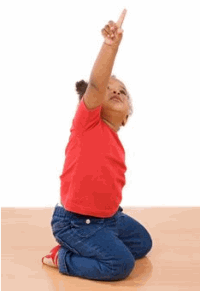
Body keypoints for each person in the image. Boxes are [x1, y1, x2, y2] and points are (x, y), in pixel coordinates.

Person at [42, 9, 153, 281]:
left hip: (109, 220)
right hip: (75, 223)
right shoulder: (87, 124)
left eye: (122, 91)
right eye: (109, 89)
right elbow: (95, 84)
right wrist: (110, 46)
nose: (115, 91)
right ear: (93, 102)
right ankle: (64, 256)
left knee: (143, 243)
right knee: (121, 265)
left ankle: (97, 243)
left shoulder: (116, 142)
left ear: (127, 116)